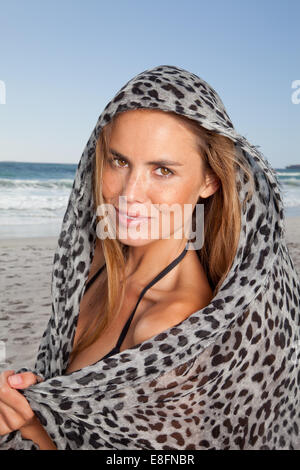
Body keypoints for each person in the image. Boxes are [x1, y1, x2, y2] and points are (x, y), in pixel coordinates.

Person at [0, 64, 299, 450]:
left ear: (209, 180)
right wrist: (33, 398)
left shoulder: (174, 326)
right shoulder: (92, 267)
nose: (130, 192)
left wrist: (35, 430)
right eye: (119, 161)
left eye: (162, 170)